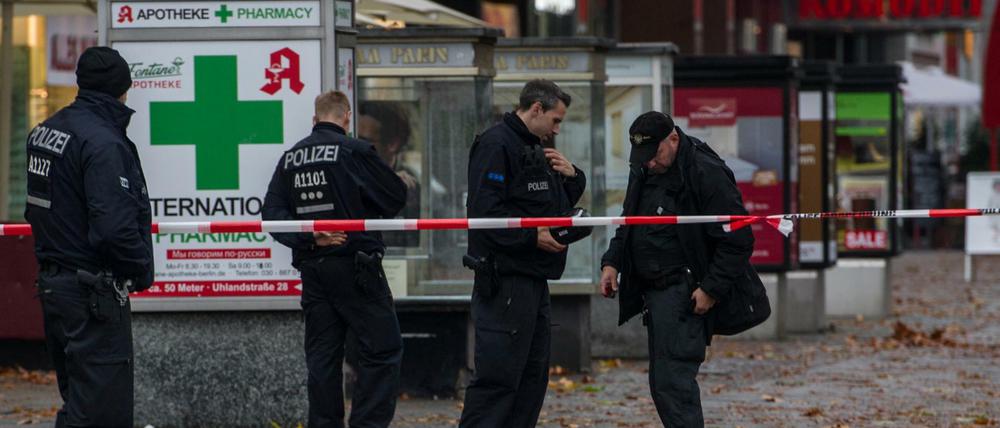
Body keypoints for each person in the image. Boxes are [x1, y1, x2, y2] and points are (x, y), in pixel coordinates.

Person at [599, 111, 757, 427]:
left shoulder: (704, 172)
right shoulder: (645, 167)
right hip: (654, 293)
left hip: (683, 291)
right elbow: (630, 220)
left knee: (674, 384)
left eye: (654, 154)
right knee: (663, 383)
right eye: (642, 157)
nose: (649, 163)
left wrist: (711, 288)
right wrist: (612, 261)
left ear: (673, 139)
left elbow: (738, 238)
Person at [262, 90, 407, 428]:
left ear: (315, 120)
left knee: (323, 358)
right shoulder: (355, 151)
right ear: (346, 117)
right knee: (382, 351)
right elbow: (394, 196)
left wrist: (310, 236)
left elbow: (271, 215)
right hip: (358, 268)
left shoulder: (291, 158)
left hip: (315, 271)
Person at [25, 46, 152, 427]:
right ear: (123, 89)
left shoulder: (45, 131)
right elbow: (114, 227)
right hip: (91, 295)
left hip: (56, 287)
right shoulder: (103, 143)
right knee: (102, 413)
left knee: (80, 405)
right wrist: (140, 269)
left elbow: (37, 210)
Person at [461, 79, 586, 427]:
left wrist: (573, 177)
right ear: (536, 109)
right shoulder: (496, 144)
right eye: (556, 120)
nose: (556, 129)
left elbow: (549, 204)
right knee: (498, 381)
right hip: (505, 282)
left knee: (531, 380)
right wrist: (532, 236)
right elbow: (485, 216)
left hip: (532, 281)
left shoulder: (535, 147)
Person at [358, 101, 420, 247]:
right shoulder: (353, 174)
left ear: (393, 144)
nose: (357, 147)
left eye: (364, 141)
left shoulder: (410, 184)